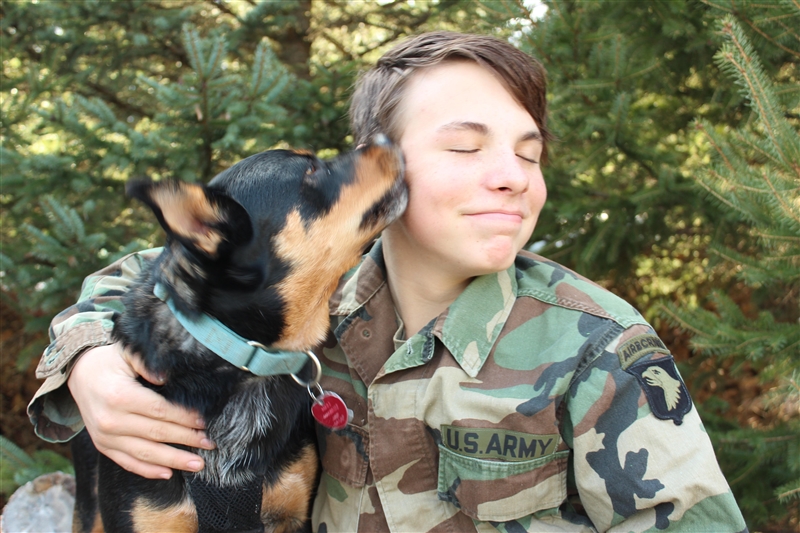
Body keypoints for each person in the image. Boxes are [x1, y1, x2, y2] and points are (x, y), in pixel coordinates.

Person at [29, 32, 747, 532]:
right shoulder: (311, 303)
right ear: (383, 167)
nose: (512, 175)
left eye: (531, 155)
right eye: (466, 145)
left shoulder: (596, 345)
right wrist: (89, 357)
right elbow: (141, 276)